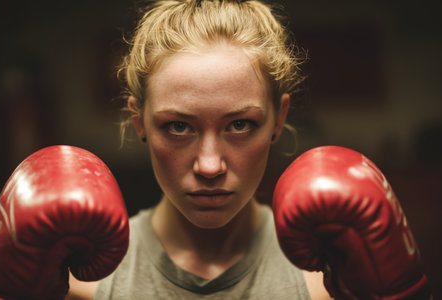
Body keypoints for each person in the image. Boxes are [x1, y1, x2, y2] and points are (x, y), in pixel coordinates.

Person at [67, 0, 331, 298]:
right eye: (178, 126)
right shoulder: (79, 285)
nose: (209, 166)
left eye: (240, 124)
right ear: (139, 122)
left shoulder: (325, 283)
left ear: (278, 119)